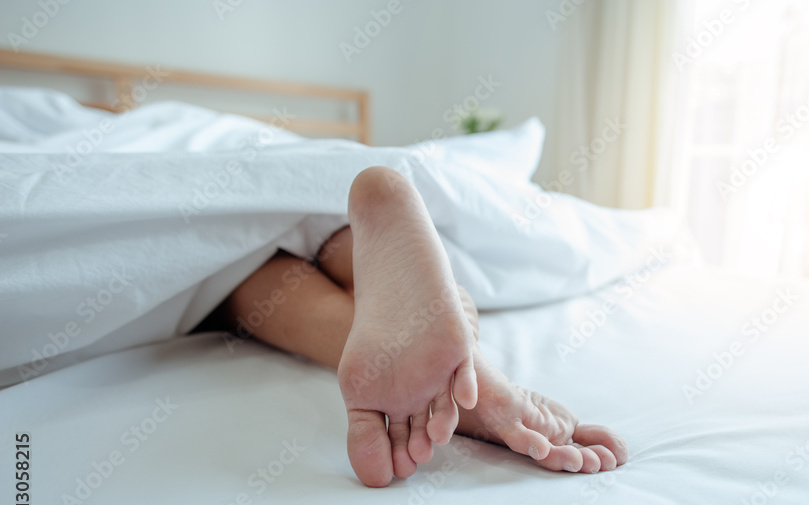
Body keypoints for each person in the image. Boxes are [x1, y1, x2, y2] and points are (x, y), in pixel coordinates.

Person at [216, 166, 628, 487]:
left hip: (228, 216)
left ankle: (439, 375)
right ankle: (451, 378)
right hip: (319, 203)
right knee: (327, 243)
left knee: (231, 273)